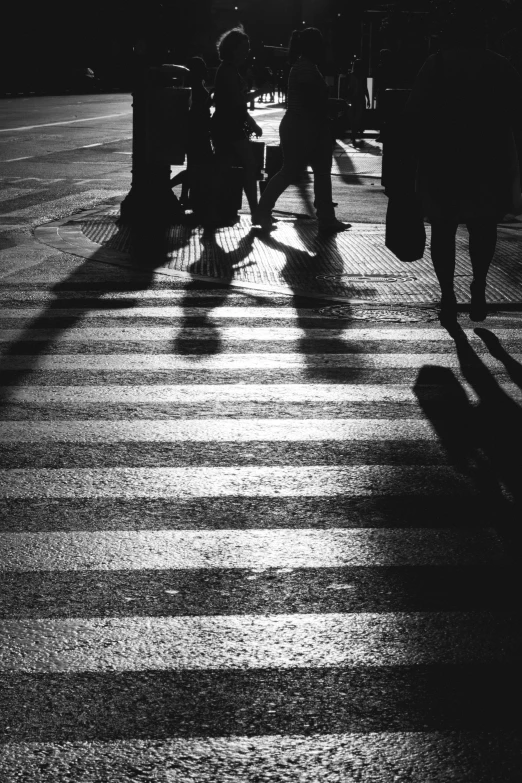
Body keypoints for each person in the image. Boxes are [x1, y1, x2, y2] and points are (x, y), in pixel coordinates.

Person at [406, 11, 522, 323]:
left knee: (443, 229)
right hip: (487, 159)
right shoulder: (500, 66)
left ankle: (447, 294)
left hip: (442, 159)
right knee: (483, 226)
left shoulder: (436, 64)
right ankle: (480, 284)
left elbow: (415, 114)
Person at [252, 27, 348, 232]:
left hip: (300, 125)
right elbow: (311, 100)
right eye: (321, 43)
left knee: (292, 170)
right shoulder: (306, 68)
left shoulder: (304, 65)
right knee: (317, 172)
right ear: (314, 46)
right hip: (306, 126)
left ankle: (263, 211)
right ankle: (326, 217)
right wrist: (333, 105)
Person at [211, 26, 263, 217]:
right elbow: (236, 102)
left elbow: (235, 102)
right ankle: (255, 210)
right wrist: (260, 93)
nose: (247, 52)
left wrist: (250, 122)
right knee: (248, 165)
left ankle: (215, 208)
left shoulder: (229, 69)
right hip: (229, 126)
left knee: (224, 167)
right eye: (244, 48)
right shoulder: (228, 71)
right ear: (234, 49)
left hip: (226, 125)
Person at [170, 56, 213, 208]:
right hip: (198, 133)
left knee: (193, 166)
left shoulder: (191, 87)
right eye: (203, 68)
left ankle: (184, 195)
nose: (206, 71)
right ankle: (169, 186)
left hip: (192, 133)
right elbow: (199, 111)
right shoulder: (197, 89)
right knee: (200, 167)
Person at [348, 58, 370, 148]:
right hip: (360, 98)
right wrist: (368, 99)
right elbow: (365, 88)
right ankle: (355, 132)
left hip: (354, 98)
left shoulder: (351, 75)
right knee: (358, 116)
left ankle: (353, 134)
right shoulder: (362, 76)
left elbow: (349, 89)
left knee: (354, 117)